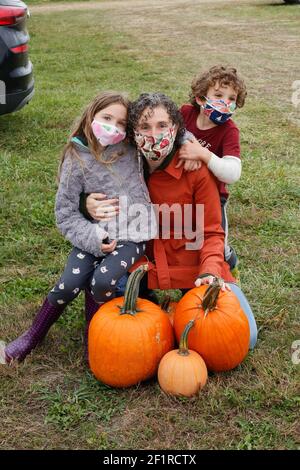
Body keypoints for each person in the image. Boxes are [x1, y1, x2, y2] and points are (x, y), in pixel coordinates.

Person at [85, 92, 257, 349]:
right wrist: (85, 201)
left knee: (245, 338)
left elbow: (211, 231)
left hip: (191, 263)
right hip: (143, 263)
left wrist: (210, 269)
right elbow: (86, 185)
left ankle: (225, 262)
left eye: (162, 125)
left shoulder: (194, 169)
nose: (154, 134)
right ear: (133, 133)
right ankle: (150, 301)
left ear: (175, 128)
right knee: (130, 336)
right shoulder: (122, 166)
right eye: (144, 126)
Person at [0, 91, 156, 365]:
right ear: (91, 115)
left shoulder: (133, 150)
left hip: (133, 235)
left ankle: (93, 337)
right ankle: (32, 336)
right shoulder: (77, 158)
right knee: (67, 284)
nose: (113, 127)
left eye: (121, 123)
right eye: (107, 118)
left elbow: (169, 132)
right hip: (94, 235)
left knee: (103, 281)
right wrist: (94, 238)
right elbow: (65, 214)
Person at [177, 65, 247, 272]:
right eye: (218, 95)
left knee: (218, 246)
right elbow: (169, 131)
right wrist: (186, 144)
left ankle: (229, 261)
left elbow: (233, 173)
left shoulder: (229, 130)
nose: (225, 102)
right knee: (185, 241)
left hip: (215, 196)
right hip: (183, 190)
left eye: (232, 98)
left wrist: (203, 155)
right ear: (200, 98)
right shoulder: (185, 113)